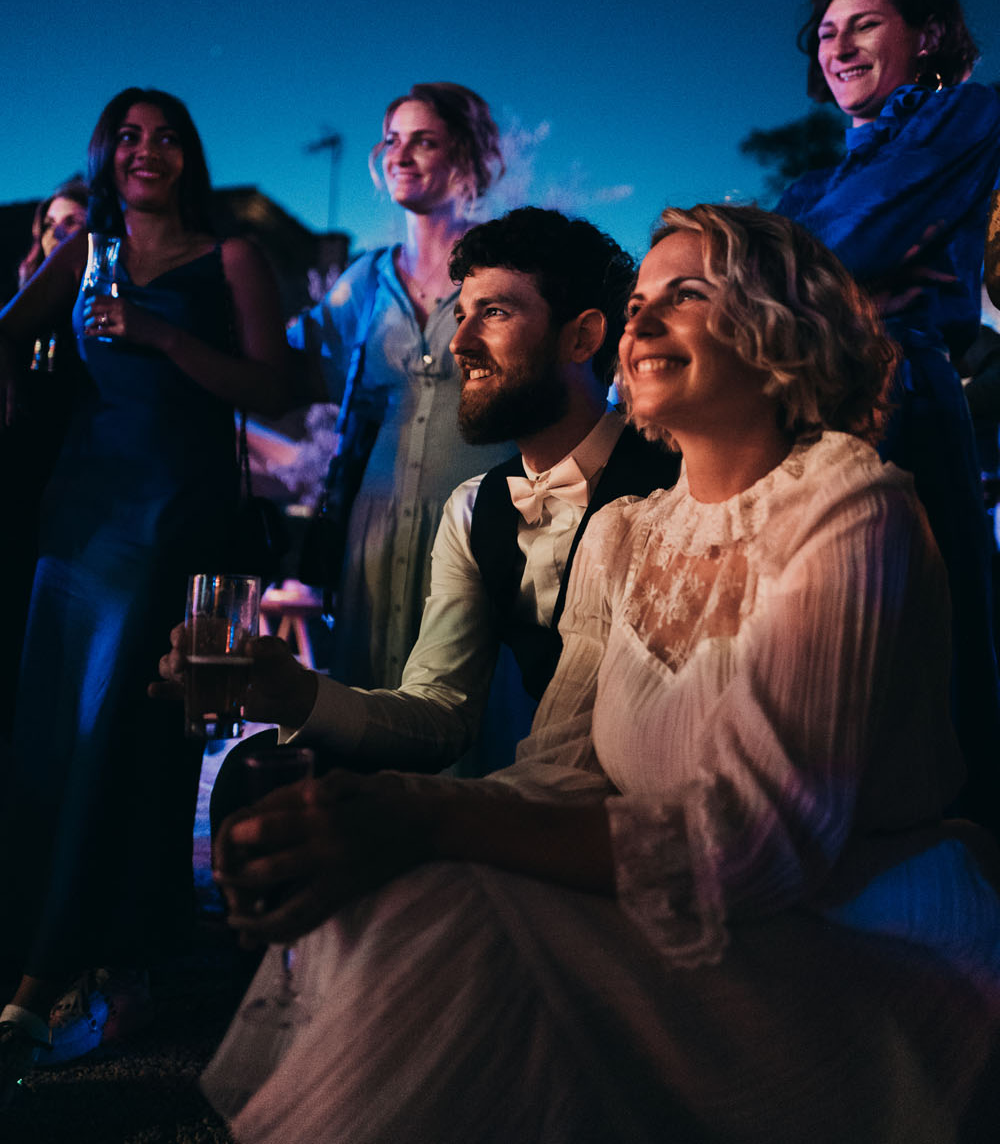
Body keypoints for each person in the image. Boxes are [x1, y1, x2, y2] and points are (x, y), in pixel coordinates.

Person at [202, 204, 1000, 1144]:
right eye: (639, 305)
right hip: (671, 894)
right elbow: (556, 768)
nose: (644, 322)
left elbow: (762, 844)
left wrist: (426, 817)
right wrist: (351, 817)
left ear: (786, 327)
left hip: (849, 934)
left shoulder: (848, 509)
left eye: (687, 296)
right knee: (397, 889)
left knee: (449, 913)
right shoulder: (626, 536)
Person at [163, 209, 680, 799]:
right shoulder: (473, 509)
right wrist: (293, 694)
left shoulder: (676, 485)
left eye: (495, 313)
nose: (459, 343)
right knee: (257, 783)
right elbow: (439, 713)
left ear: (583, 337)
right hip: (525, 801)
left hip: (646, 810)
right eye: (461, 315)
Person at [0, 88, 288, 1094]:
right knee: (49, 727)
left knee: (115, 730)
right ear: (105, 155)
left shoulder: (232, 257)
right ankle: (47, 945)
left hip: (171, 512)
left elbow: (277, 388)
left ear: (189, 157)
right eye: (127, 136)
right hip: (78, 511)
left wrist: (162, 338)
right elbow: (6, 329)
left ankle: (67, 966)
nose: (146, 151)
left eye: (166, 137)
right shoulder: (88, 253)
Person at [778, 0, 1000, 831]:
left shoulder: (969, 115)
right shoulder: (807, 182)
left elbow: (841, 250)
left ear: (930, 33)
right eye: (827, 33)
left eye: (864, 23)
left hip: (909, 403)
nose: (839, 48)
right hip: (802, 419)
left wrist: (804, 275)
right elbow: (760, 285)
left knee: (931, 648)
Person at [289, 82, 514, 691]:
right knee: (373, 704)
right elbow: (289, 364)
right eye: (391, 140)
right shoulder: (362, 280)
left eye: (424, 141)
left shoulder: (504, 268)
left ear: (464, 156)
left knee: (469, 711)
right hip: (374, 531)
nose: (400, 154)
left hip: (480, 524)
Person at [1, 179, 89, 744]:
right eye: (53, 225)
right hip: (19, 477)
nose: (62, 235)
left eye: (75, 224)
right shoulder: (19, 314)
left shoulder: (99, 310)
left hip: (75, 478)